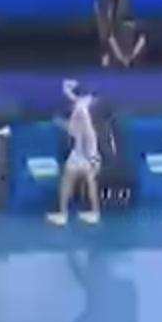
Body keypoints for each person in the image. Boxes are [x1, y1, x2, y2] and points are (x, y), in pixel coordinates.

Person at [49, 79, 102, 226]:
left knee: (76, 180)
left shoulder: (81, 108)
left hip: (85, 151)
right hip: (84, 151)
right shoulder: (83, 104)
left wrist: (90, 156)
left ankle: (64, 214)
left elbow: (81, 131)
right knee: (80, 180)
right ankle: (93, 213)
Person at [100, 0, 145, 67]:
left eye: (125, 62)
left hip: (122, 27)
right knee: (122, 11)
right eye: (128, 62)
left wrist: (111, 38)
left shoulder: (121, 56)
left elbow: (114, 45)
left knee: (117, 13)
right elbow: (141, 41)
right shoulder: (131, 54)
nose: (126, 60)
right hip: (127, 27)